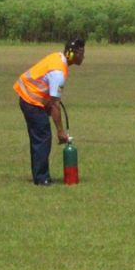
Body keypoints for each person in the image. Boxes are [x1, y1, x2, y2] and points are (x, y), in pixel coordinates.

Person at [13, 38, 85, 185]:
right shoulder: (58, 72)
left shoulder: (58, 57)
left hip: (31, 98)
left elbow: (51, 98)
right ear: (71, 54)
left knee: (40, 137)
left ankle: (39, 176)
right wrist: (60, 132)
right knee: (43, 137)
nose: (83, 56)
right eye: (80, 53)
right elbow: (55, 105)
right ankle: (41, 179)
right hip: (31, 101)